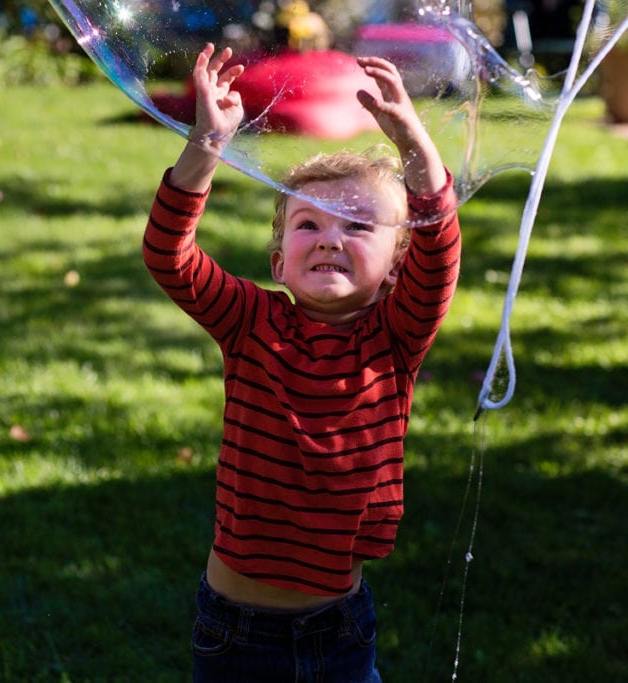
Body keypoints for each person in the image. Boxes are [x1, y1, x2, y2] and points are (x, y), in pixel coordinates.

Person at [142, 44, 461, 681]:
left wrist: (415, 149)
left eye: (357, 226)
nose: (331, 238)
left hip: (338, 630)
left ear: (397, 266)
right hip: (235, 630)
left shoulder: (397, 336)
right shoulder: (250, 322)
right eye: (309, 225)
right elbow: (168, 256)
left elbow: (441, 251)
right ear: (279, 262)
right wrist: (207, 143)